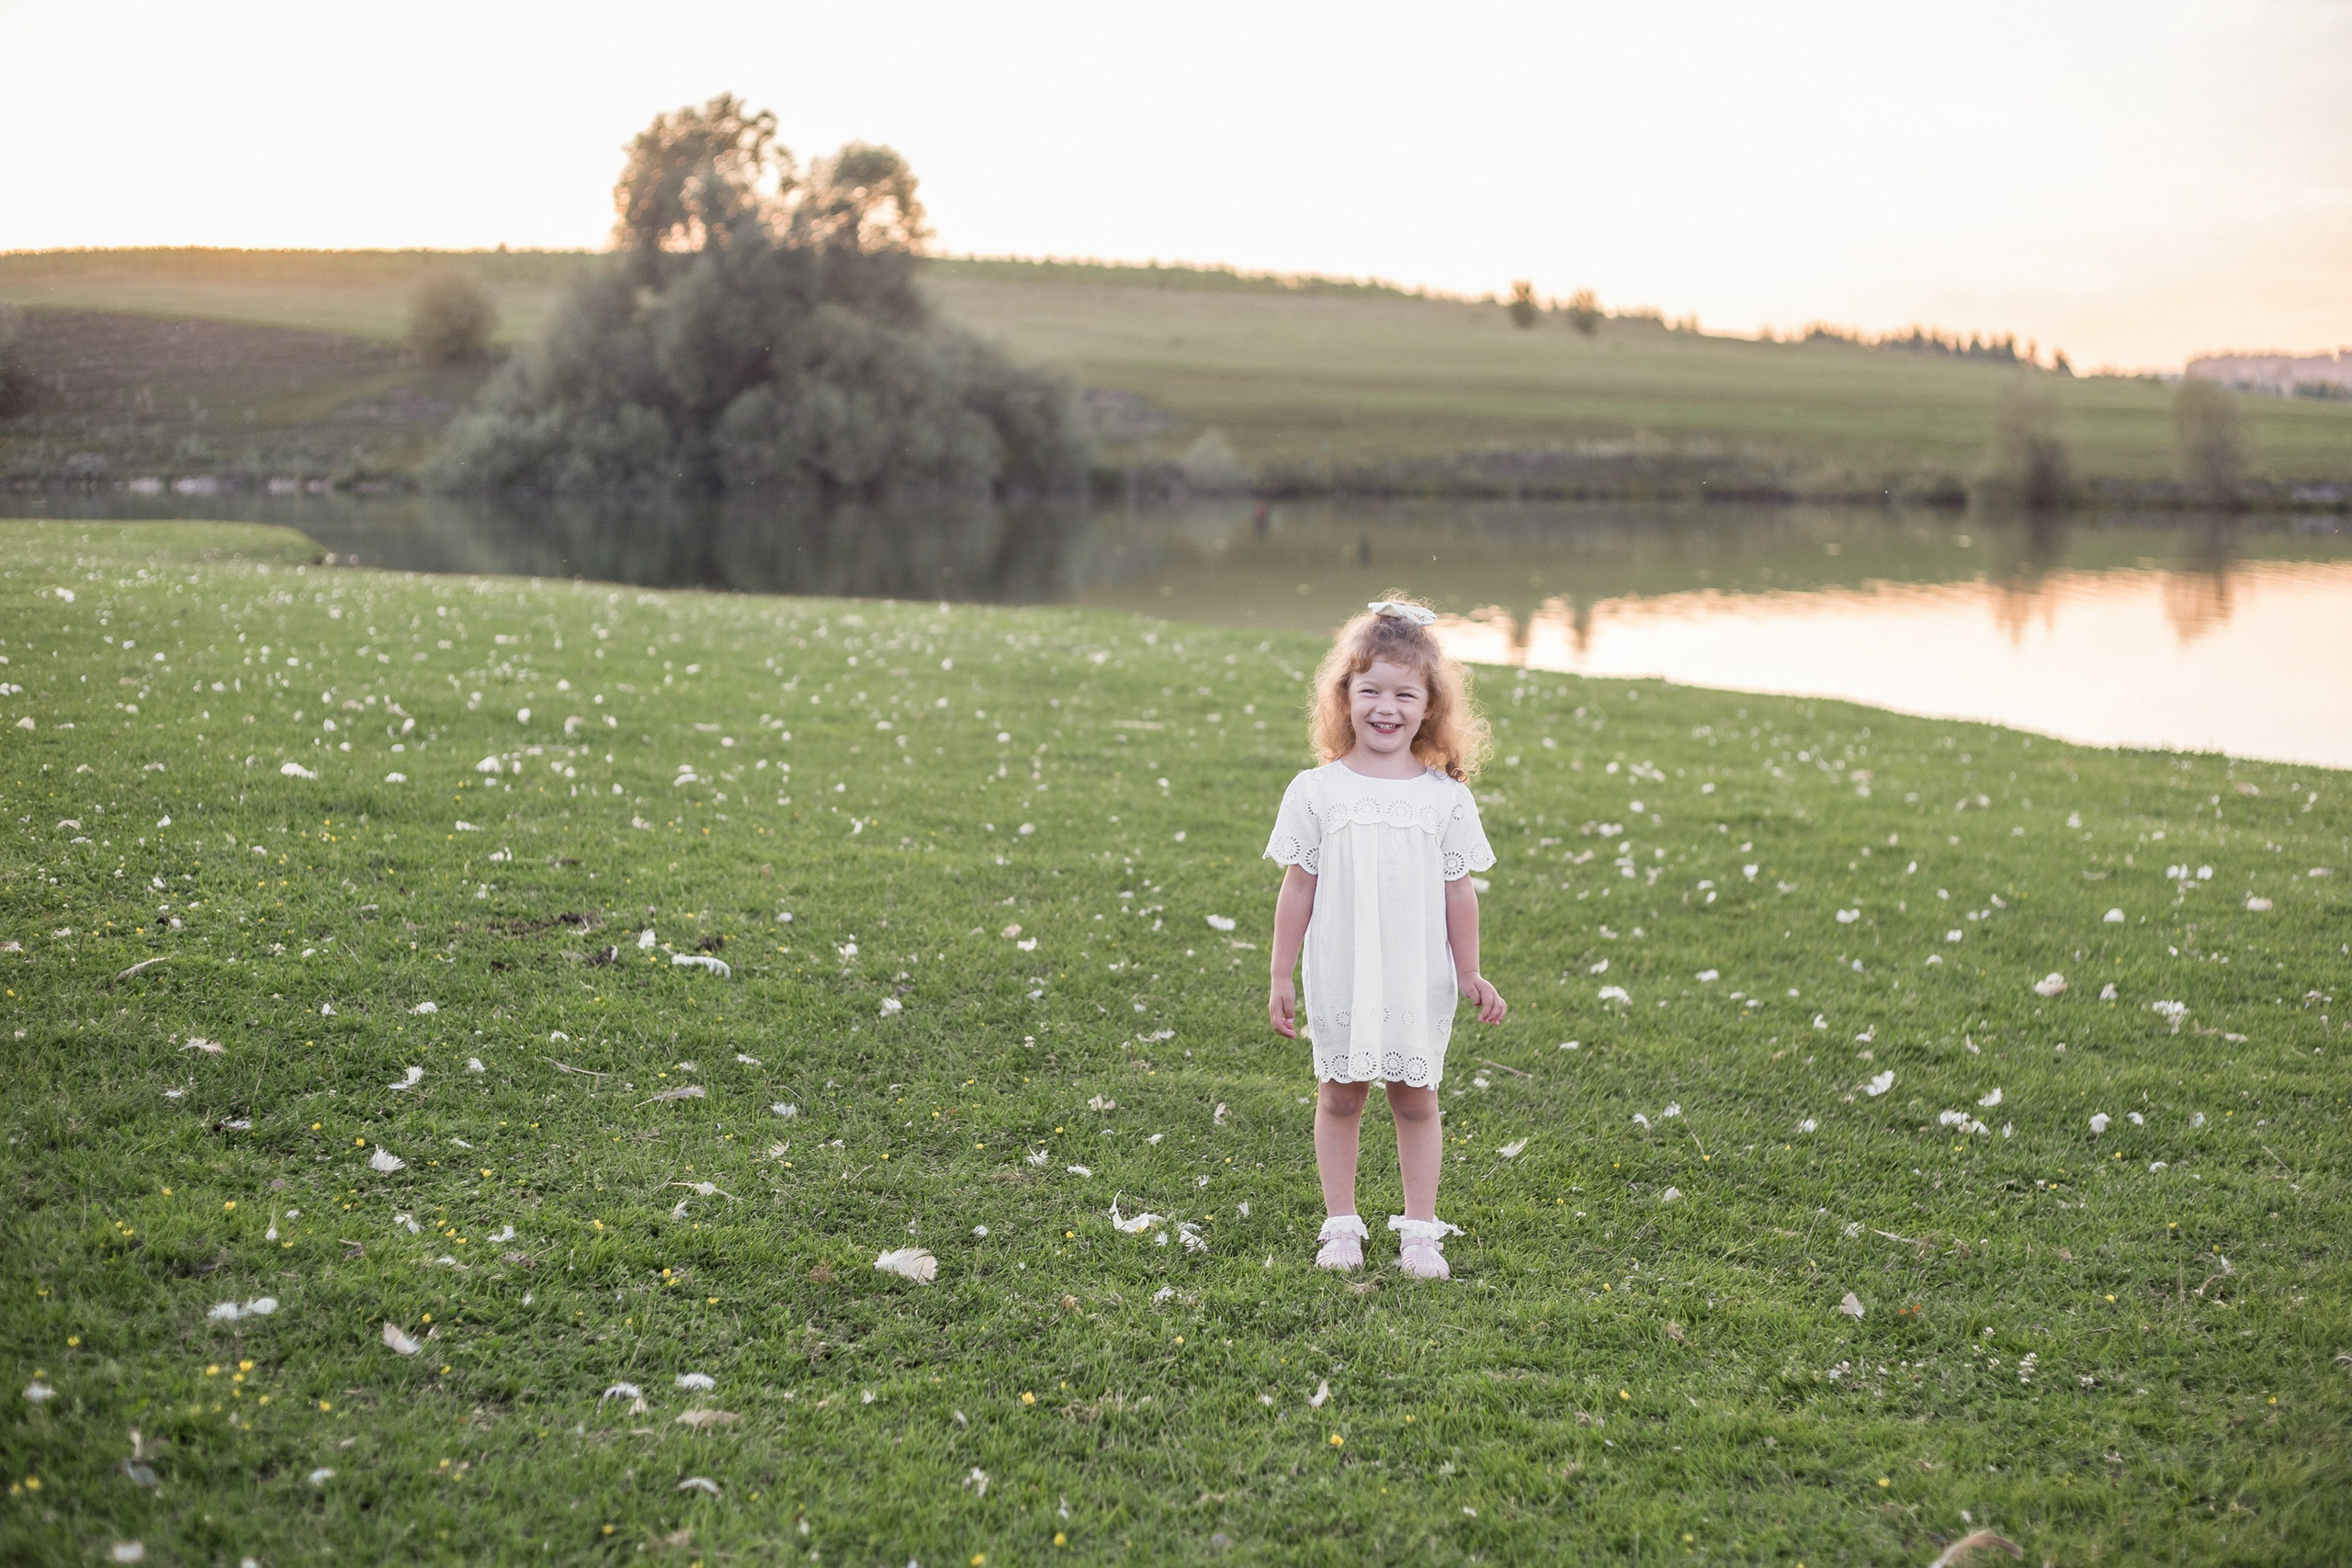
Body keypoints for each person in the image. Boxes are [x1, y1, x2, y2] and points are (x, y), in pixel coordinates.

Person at [1264, 595, 1506, 1280]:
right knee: (1341, 1093)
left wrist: (1469, 971)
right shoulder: (1316, 791)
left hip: (1415, 972)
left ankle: (1420, 1231)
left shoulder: (1445, 798)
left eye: (1405, 694)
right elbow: (1298, 887)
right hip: (1342, 967)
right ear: (1345, 696)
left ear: (1430, 707)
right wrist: (1281, 973)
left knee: (1415, 1097)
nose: (1386, 707)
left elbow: (1459, 890)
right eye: (1370, 690)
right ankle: (1341, 1223)